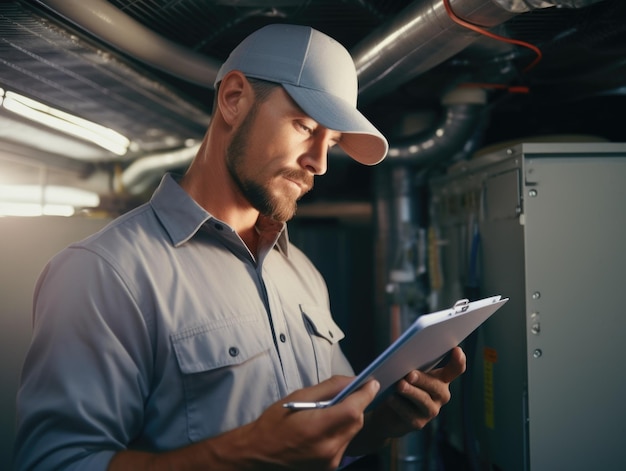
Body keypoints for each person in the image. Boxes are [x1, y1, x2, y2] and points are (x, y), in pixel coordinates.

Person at [14, 24, 466, 471]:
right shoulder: (104, 273)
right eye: (305, 126)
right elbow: (54, 463)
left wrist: (378, 425)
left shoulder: (302, 273)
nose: (320, 162)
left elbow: (323, 439)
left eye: (331, 143)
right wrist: (243, 453)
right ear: (234, 99)